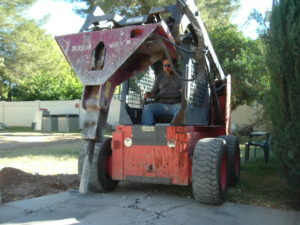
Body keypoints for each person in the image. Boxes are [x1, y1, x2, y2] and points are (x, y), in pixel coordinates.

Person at [141, 59, 182, 125]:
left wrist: (183, 92)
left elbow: (187, 93)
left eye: (168, 65)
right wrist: (148, 94)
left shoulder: (182, 77)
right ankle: (147, 129)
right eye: (165, 65)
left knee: (181, 109)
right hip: (161, 105)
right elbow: (153, 93)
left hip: (176, 104)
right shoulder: (159, 78)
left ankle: (173, 128)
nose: (166, 67)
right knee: (148, 108)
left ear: (173, 66)